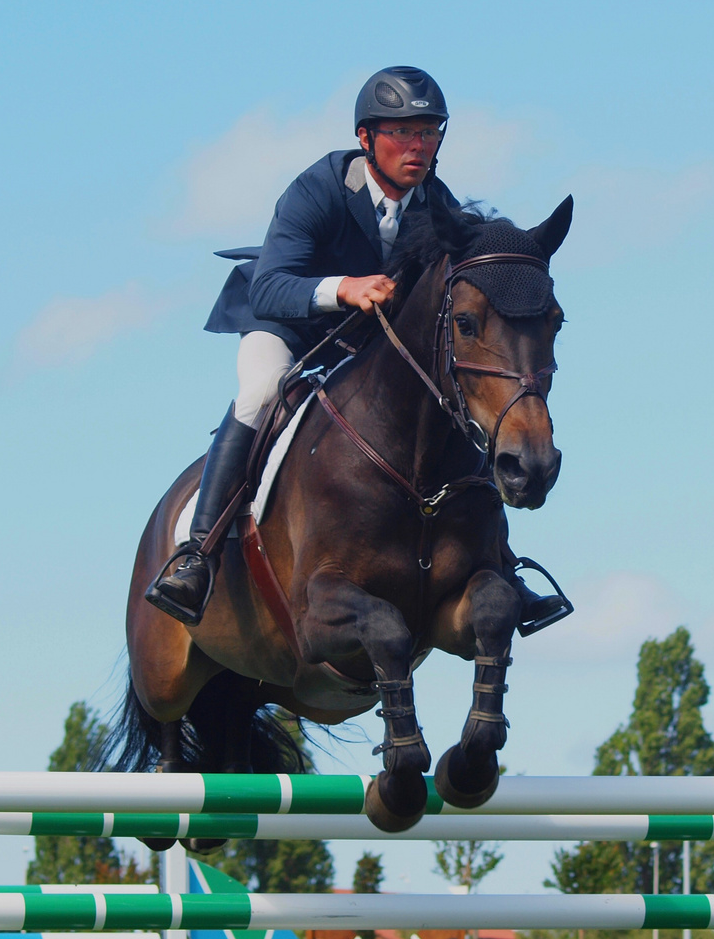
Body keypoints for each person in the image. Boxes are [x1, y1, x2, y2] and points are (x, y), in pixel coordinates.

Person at [145, 66, 572, 634]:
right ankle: (196, 557)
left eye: (429, 133)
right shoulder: (317, 189)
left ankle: (501, 564)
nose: (417, 147)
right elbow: (271, 285)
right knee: (262, 391)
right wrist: (343, 288)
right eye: (403, 133)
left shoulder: (435, 203)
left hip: (363, 342)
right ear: (367, 138)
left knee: (450, 405)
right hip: (287, 324)